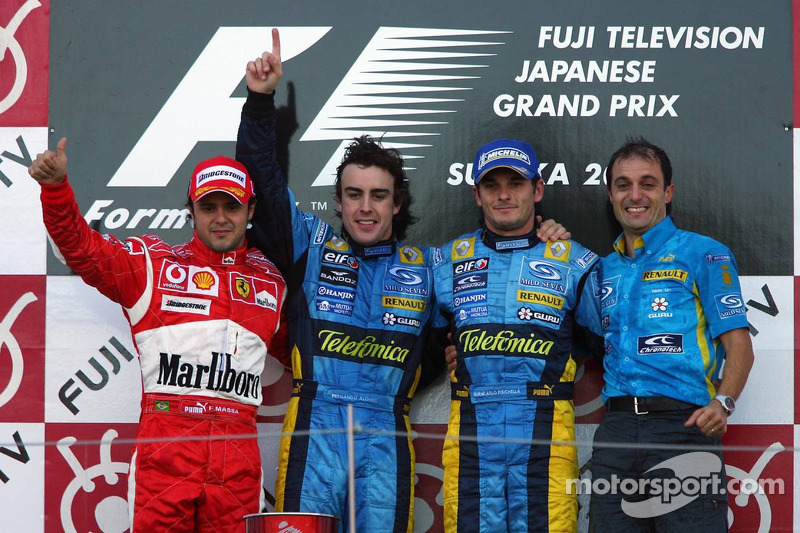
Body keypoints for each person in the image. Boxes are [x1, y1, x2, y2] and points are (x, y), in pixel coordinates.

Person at [236, 30, 569, 533]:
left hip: (386, 434)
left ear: (398, 203)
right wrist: (260, 103)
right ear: (340, 201)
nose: (365, 207)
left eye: (377, 195)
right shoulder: (311, 246)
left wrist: (545, 235)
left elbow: (490, 294)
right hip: (314, 427)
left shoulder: (432, 265)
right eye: (353, 194)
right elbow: (260, 185)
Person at [29, 141, 286, 532]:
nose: (220, 218)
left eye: (232, 207)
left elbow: (307, 353)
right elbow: (80, 248)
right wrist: (57, 188)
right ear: (191, 211)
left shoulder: (272, 283)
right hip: (165, 451)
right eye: (208, 207)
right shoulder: (154, 266)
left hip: (238, 457)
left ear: (250, 211)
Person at [432, 138, 604, 532]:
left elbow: (606, 347)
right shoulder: (446, 262)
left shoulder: (574, 262)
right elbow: (421, 347)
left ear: (537, 189)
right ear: (477, 194)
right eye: (492, 185)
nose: (504, 195)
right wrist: (450, 350)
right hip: (472, 446)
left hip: (546, 442)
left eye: (516, 183)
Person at [588, 138, 754, 531]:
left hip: (682, 426)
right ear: (610, 194)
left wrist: (724, 402)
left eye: (647, 183)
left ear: (668, 192)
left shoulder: (704, 253)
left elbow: (738, 343)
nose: (635, 195)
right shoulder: (602, 269)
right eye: (623, 184)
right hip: (616, 431)